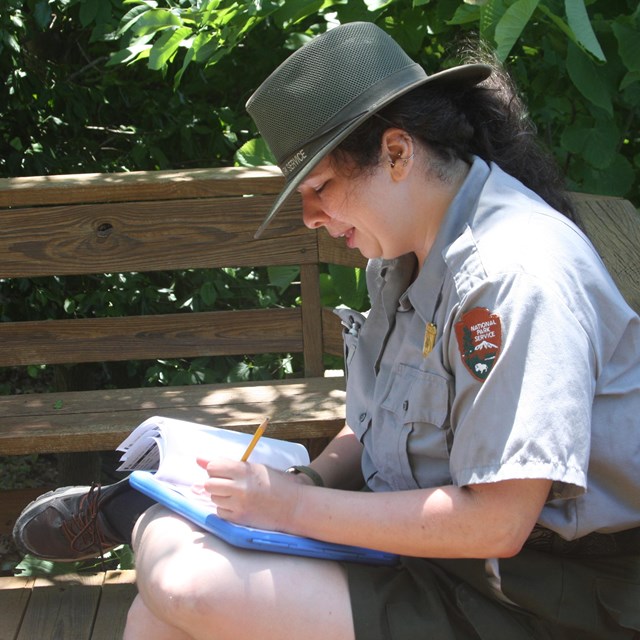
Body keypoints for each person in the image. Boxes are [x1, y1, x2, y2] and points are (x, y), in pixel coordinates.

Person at [13, 21, 640, 640]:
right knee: (167, 581)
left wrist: (292, 509)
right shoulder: (402, 258)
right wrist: (305, 482)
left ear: (398, 152)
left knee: (185, 581)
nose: (311, 218)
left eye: (320, 188)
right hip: (449, 564)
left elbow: (498, 523)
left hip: (547, 593)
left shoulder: (511, 274)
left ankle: (140, 512)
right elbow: (377, 423)